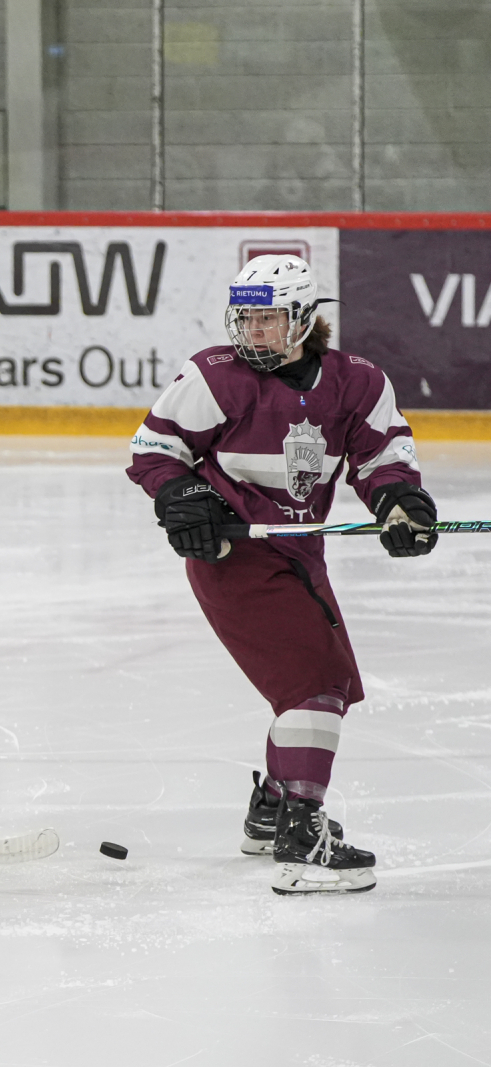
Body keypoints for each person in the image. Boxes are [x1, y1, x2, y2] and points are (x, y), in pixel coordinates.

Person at [128, 254, 436, 896]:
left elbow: (381, 457)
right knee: (314, 685)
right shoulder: (215, 373)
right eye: (244, 319)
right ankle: (301, 840)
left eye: (266, 319)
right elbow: (155, 448)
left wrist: (399, 503)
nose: (252, 331)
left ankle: (272, 811)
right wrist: (183, 495)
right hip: (233, 554)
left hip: (299, 551)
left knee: (329, 684)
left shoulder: (357, 381)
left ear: (303, 319)